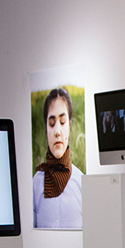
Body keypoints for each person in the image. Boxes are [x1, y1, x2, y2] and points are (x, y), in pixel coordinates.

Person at [33, 87, 83, 229]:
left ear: (69, 127)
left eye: (62, 122)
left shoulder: (81, 182)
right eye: (52, 123)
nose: (57, 132)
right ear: (46, 129)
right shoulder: (36, 184)